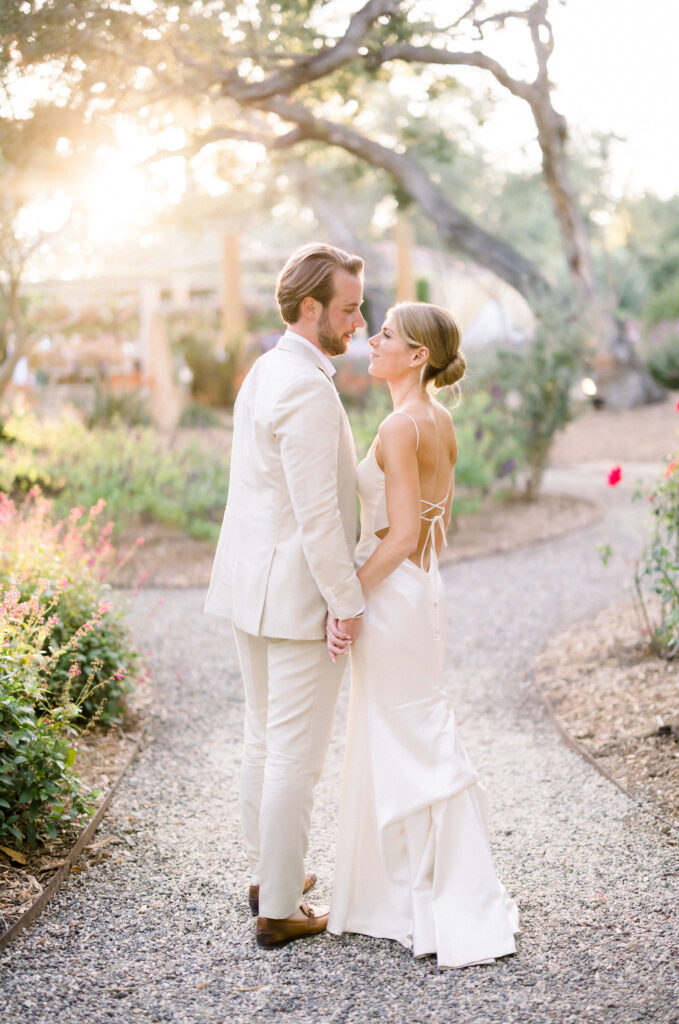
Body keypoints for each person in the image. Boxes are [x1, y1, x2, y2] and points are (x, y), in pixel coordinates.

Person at [326, 302, 519, 968]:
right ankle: (414, 890)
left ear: (415, 357)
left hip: (390, 593)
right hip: (421, 589)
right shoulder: (439, 421)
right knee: (413, 732)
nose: (371, 341)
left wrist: (348, 600)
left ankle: (426, 897)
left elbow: (401, 532)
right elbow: (431, 530)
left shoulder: (400, 425)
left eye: (384, 335)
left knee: (404, 738)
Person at [204, 243, 366, 948]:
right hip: (295, 596)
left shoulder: (266, 370)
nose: (359, 321)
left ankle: (270, 871)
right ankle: (277, 907)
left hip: (250, 585)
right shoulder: (303, 385)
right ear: (311, 309)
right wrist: (346, 598)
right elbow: (315, 511)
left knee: (264, 738)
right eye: (349, 309)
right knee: (294, 756)